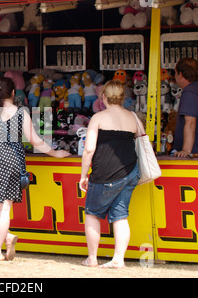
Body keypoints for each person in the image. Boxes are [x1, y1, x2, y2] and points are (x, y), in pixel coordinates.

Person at [0, 77, 70, 261]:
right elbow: (35, 141)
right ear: (13, 93)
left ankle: (5, 241)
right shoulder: (21, 113)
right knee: (3, 209)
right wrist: (55, 153)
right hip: (10, 159)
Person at [79, 80, 142, 269]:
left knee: (92, 213)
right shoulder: (133, 117)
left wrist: (83, 175)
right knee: (121, 216)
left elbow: (89, 149)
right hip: (130, 171)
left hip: (105, 173)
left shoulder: (98, 117)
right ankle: (118, 259)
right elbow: (144, 141)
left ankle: (92, 259)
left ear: (103, 97)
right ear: (123, 97)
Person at [173, 58, 198, 158]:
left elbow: (190, 122)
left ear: (180, 74)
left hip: (194, 153)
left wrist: (186, 150)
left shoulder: (190, 92)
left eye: (175, 73)